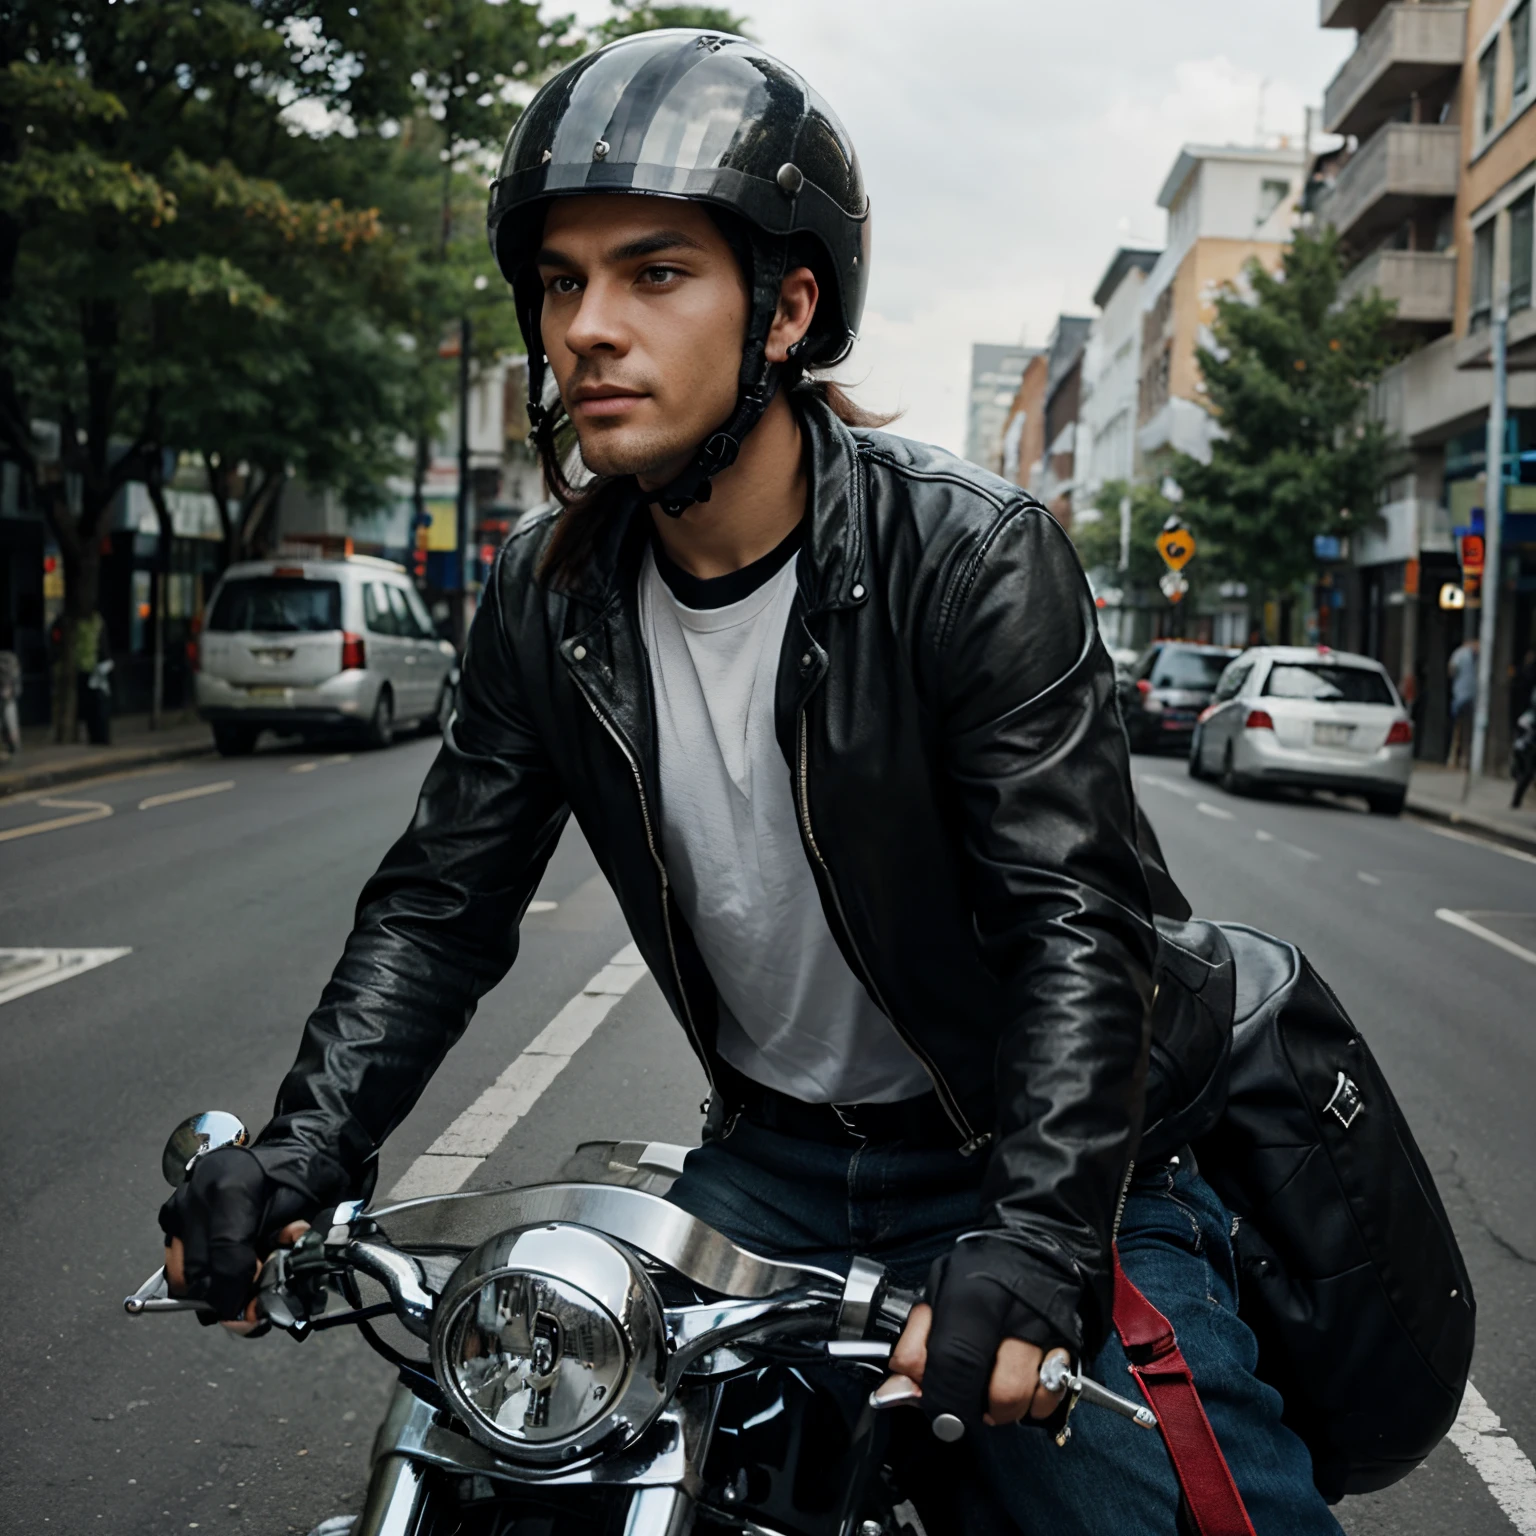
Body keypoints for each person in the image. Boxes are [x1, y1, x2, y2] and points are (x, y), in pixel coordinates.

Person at [158, 32, 1341, 1535]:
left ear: (786, 310)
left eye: (654, 275)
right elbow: (441, 908)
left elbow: (1075, 930)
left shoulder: (970, 558)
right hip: (770, 1164)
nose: (586, 327)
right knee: (527, 1465)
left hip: (1036, 1164)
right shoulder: (544, 595)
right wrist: (298, 1155)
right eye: (561, 281)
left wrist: (1044, 1247)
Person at [1447, 633, 1479, 766]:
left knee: (1458, 729)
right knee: (1466, 730)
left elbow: (1451, 670)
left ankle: (1454, 758)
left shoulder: (1459, 654)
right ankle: (1463, 758)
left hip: (1461, 696)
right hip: (1471, 696)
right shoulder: (1475, 654)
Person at [0, 628, 20, 758]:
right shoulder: (12, 659)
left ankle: (13, 745)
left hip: (7, 694)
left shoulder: (9, 659)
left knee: (10, 720)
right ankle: (13, 745)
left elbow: (15, 677)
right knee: (10, 720)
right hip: (8, 694)